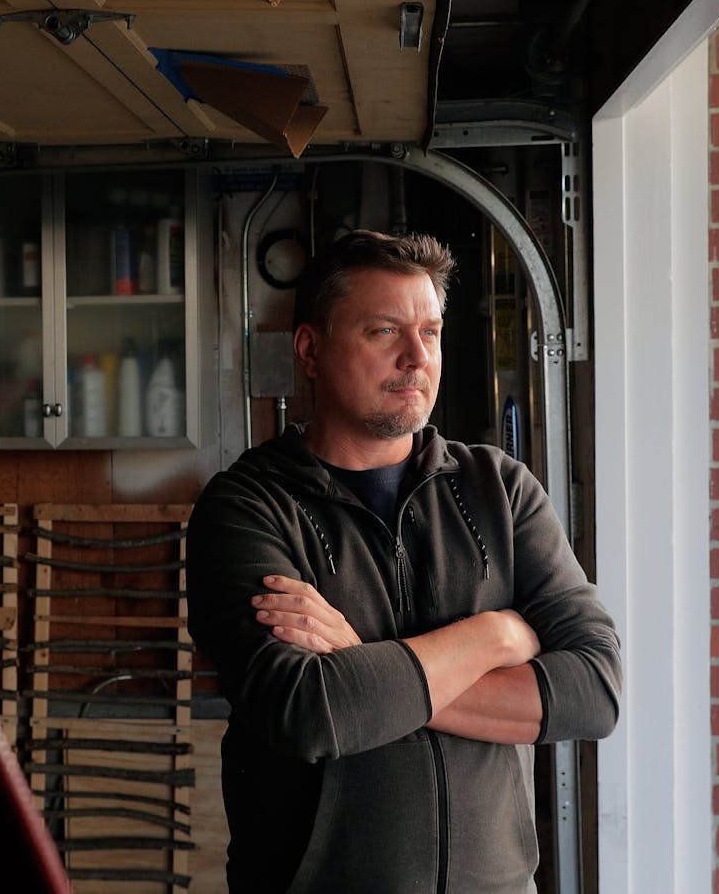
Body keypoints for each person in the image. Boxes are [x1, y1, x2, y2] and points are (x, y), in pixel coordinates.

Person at [187, 229, 622, 894]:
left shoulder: (499, 491)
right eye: (384, 331)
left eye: (432, 332)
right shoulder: (248, 507)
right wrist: (492, 636)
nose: (417, 357)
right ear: (310, 348)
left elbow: (594, 690)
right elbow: (310, 711)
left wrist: (362, 655)